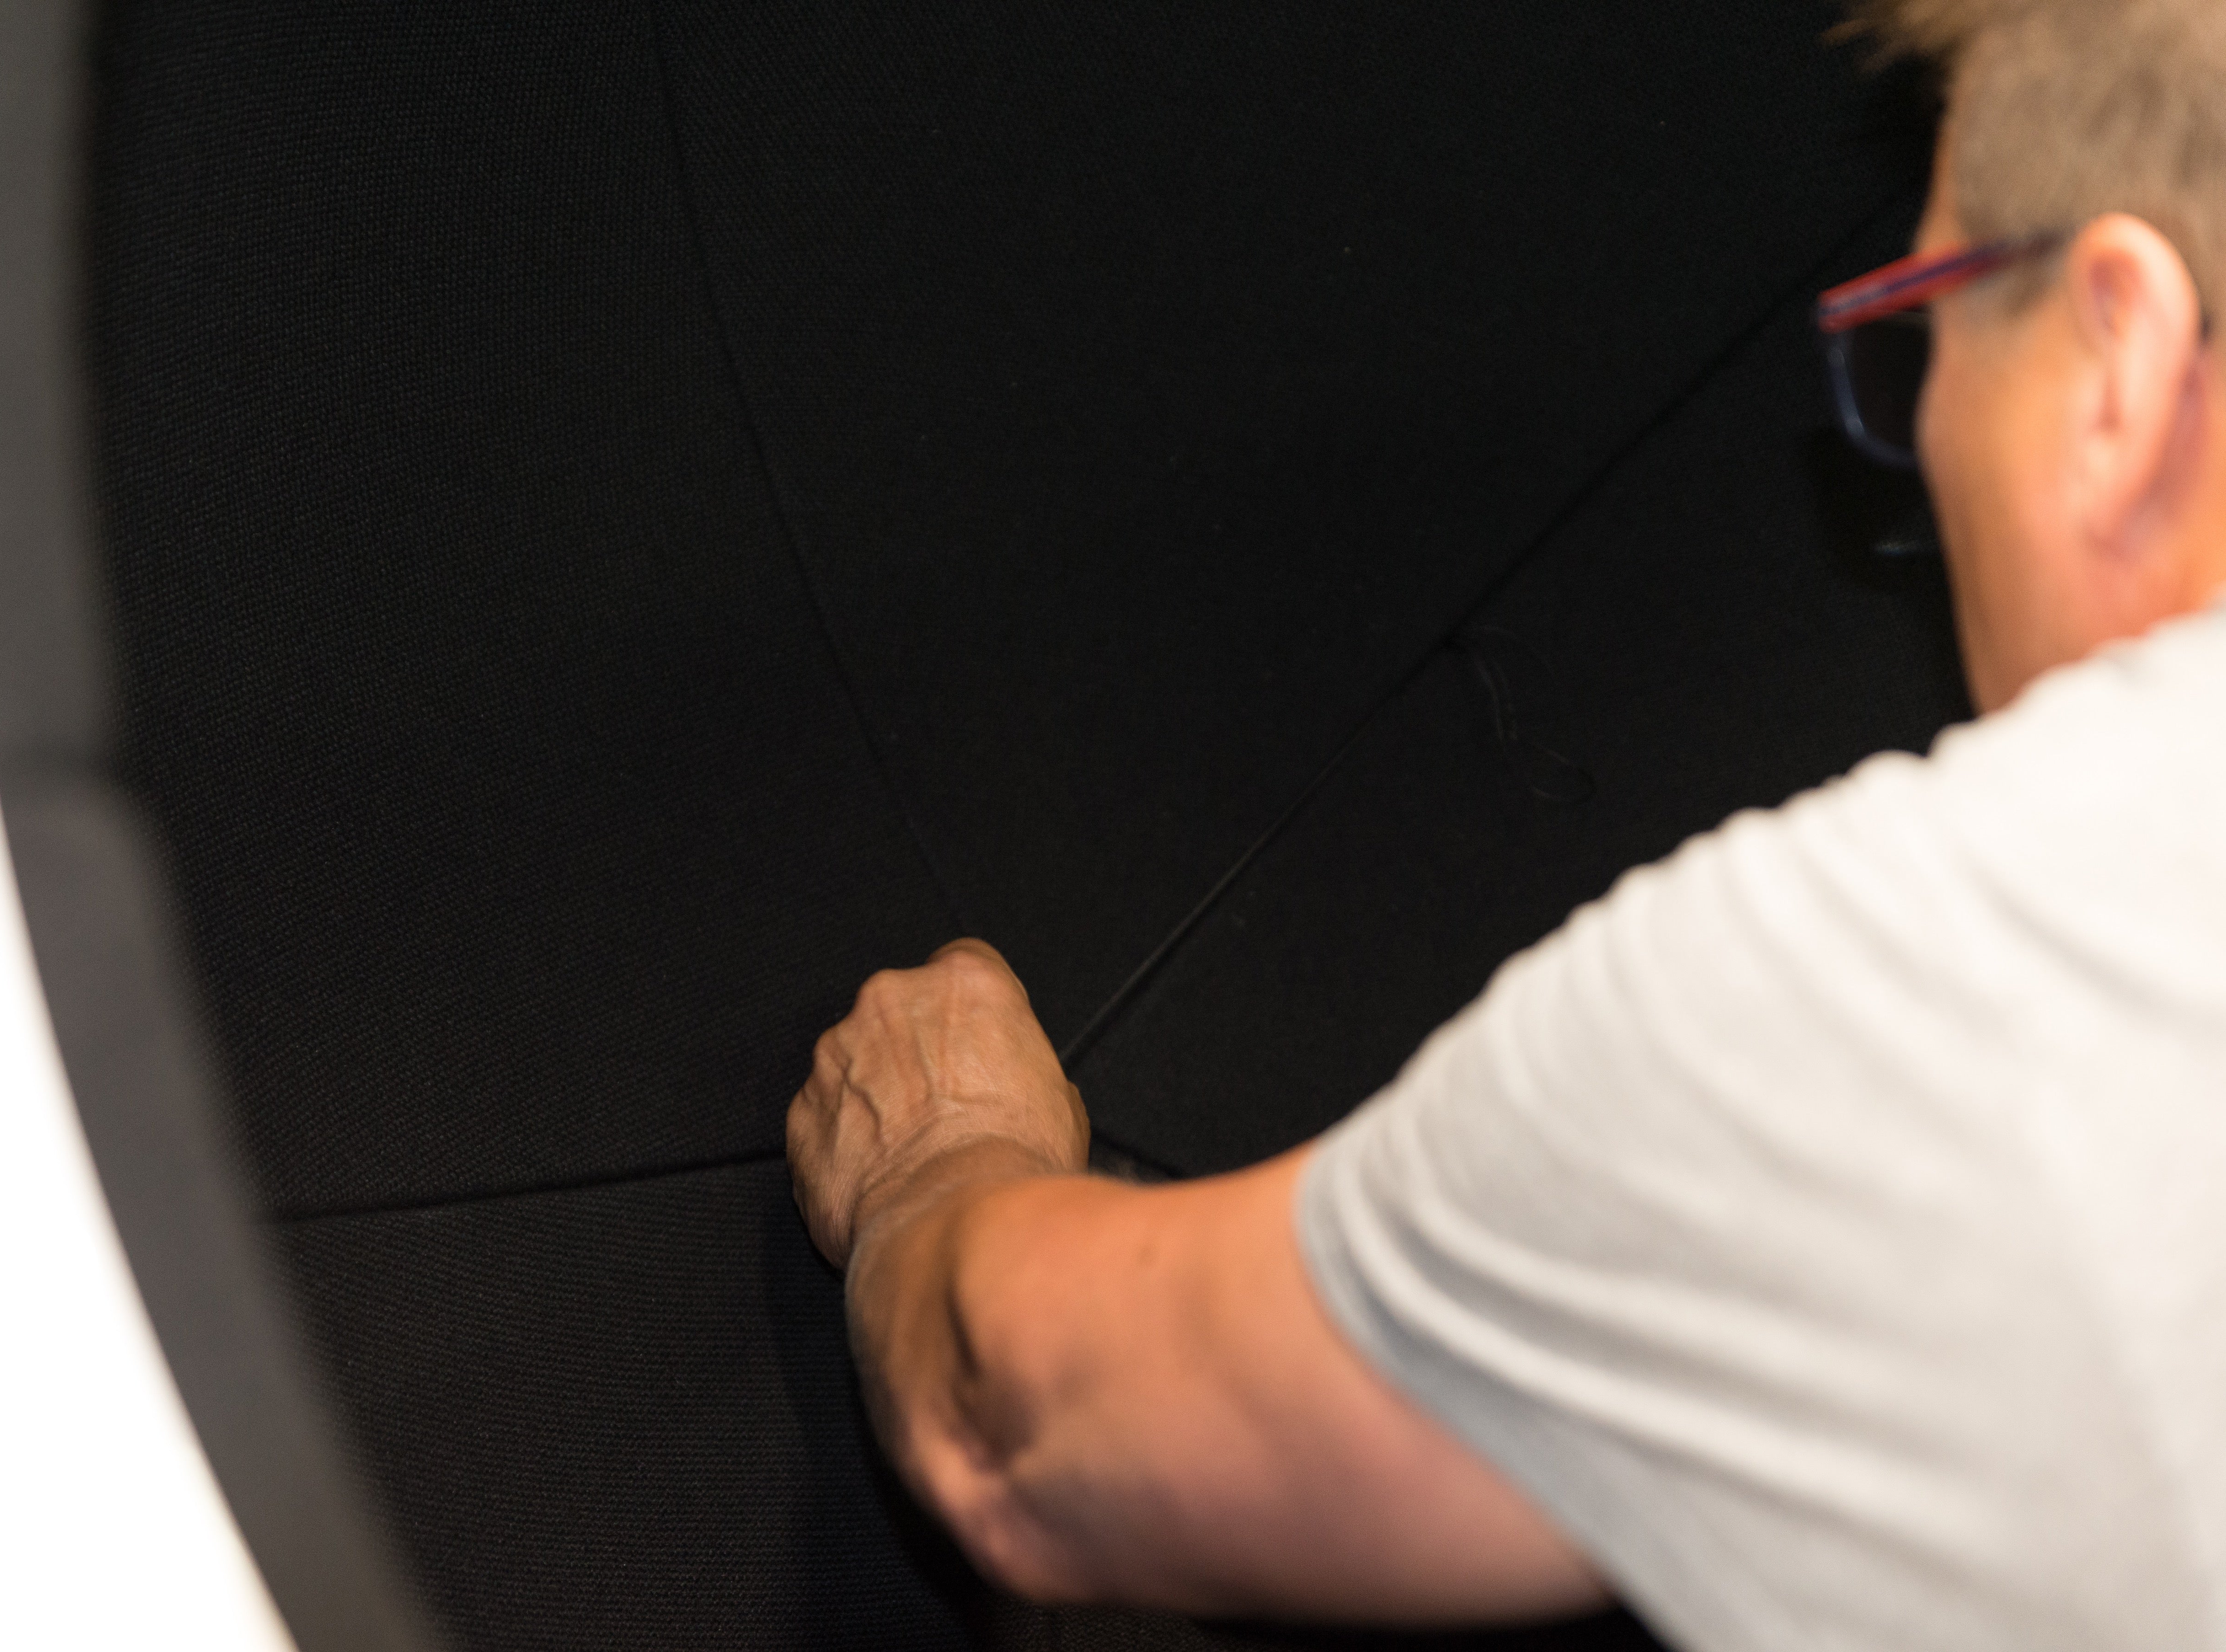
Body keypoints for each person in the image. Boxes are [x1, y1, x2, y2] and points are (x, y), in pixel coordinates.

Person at [784, 0, 2226, 1644]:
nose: (1925, 452)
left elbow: (1019, 1430)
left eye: (1923, 345)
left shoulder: (1926, 983)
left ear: (2116, 350)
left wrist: (938, 1161)